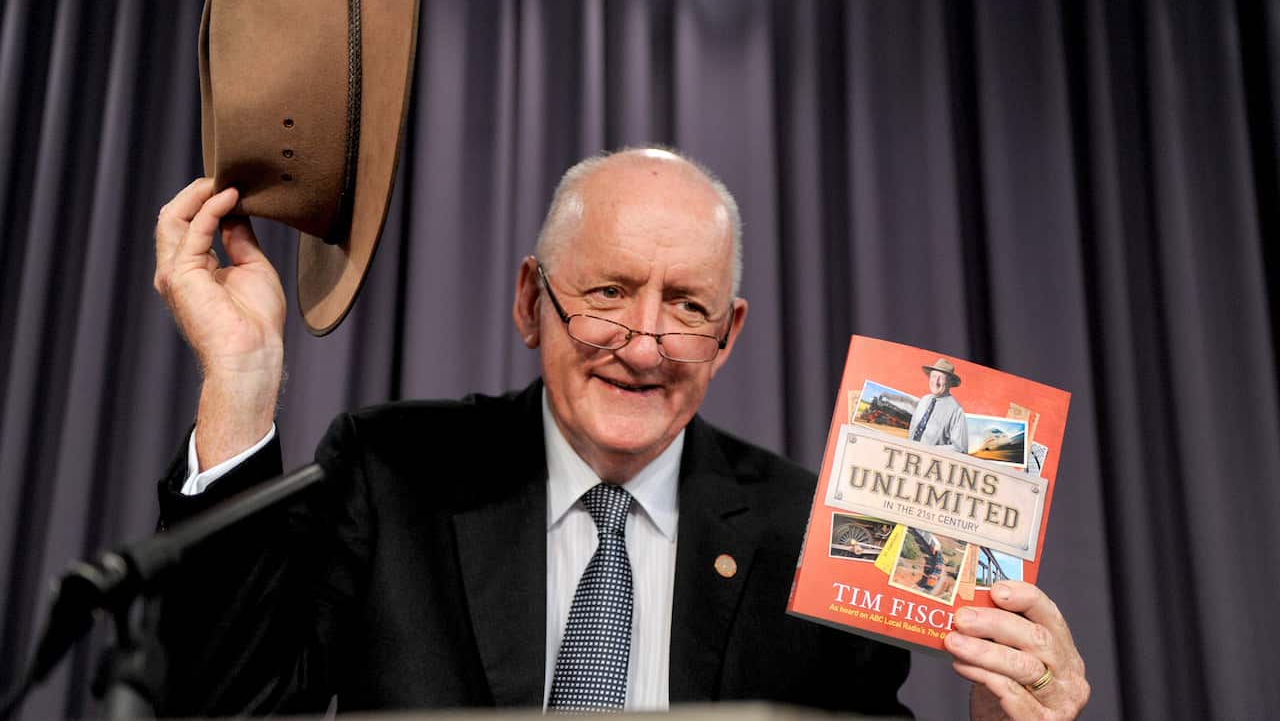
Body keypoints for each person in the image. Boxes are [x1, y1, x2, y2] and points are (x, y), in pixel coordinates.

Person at [152, 147, 1089, 718]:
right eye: (607, 293)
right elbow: (225, 706)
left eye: (687, 306)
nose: (644, 344)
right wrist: (241, 377)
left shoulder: (817, 534)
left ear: (728, 336)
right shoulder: (395, 470)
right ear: (533, 300)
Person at [907, 358, 969, 452]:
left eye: (941, 378)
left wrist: (930, 450)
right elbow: (912, 432)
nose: (936, 382)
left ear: (950, 382)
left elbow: (960, 448)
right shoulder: (924, 400)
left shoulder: (956, 411)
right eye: (934, 376)